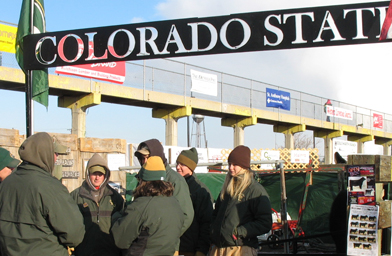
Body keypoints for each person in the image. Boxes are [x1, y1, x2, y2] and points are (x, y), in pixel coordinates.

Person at [0, 132, 85, 256]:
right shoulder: (51, 187)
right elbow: (74, 234)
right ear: (44, 155)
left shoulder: (5, 184)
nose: (56, 158)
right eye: (54, 154)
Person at [112, 156, 185, 256]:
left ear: (143, 180)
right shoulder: (175, 203)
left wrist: (115, 217)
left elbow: (120, 239)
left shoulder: (141, 206)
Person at [210, 145, 272, 256]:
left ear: (244, 166)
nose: (230, 168)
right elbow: (216, 214)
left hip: (241, 249)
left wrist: (238, 233)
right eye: (229, 164)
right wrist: (214, 231)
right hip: (219, 248)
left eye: (235, 164)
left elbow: (265, 223)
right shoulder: (227, 188)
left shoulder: (255, 190)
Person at [134, 138, 194, 237]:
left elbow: (186, 215)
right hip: (142, 244)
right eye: (141, 158)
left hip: (165, 246)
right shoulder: (142, 178)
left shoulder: (175, 180)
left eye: (148, 157)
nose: (145, 161)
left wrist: (166, 238)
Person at [71, 153, 124, 256]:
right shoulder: (75, 196)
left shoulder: (114, 197)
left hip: (110, 251)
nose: (97, 178)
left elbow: (122, 225)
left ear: (105, 175)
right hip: (84, 251)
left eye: (100, 174)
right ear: (88, 174)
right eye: (94, 174)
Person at [176, 147, 214, 256]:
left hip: (190, 249)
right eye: (177, 163)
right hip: (174, 247)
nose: (178, 167)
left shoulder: (201, 192)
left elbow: (206, 223)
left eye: (182, 164)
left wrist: (201, 250)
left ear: (191, 166)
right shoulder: (173, 186)